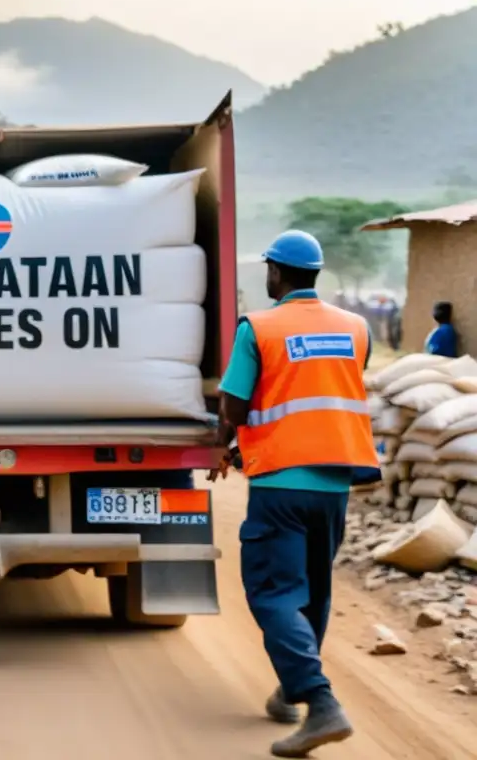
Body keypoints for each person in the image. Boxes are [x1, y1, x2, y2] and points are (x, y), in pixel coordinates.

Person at [212, 230, 378, 758]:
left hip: (281, 484)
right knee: (312, 591)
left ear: (276, 273)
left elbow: (234, 408)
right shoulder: (356, 327)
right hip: (334, 484)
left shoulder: (258, 327)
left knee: (273, 592)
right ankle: (290, 688)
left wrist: (223, 445)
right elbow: (320, 393)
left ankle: (320, 702)